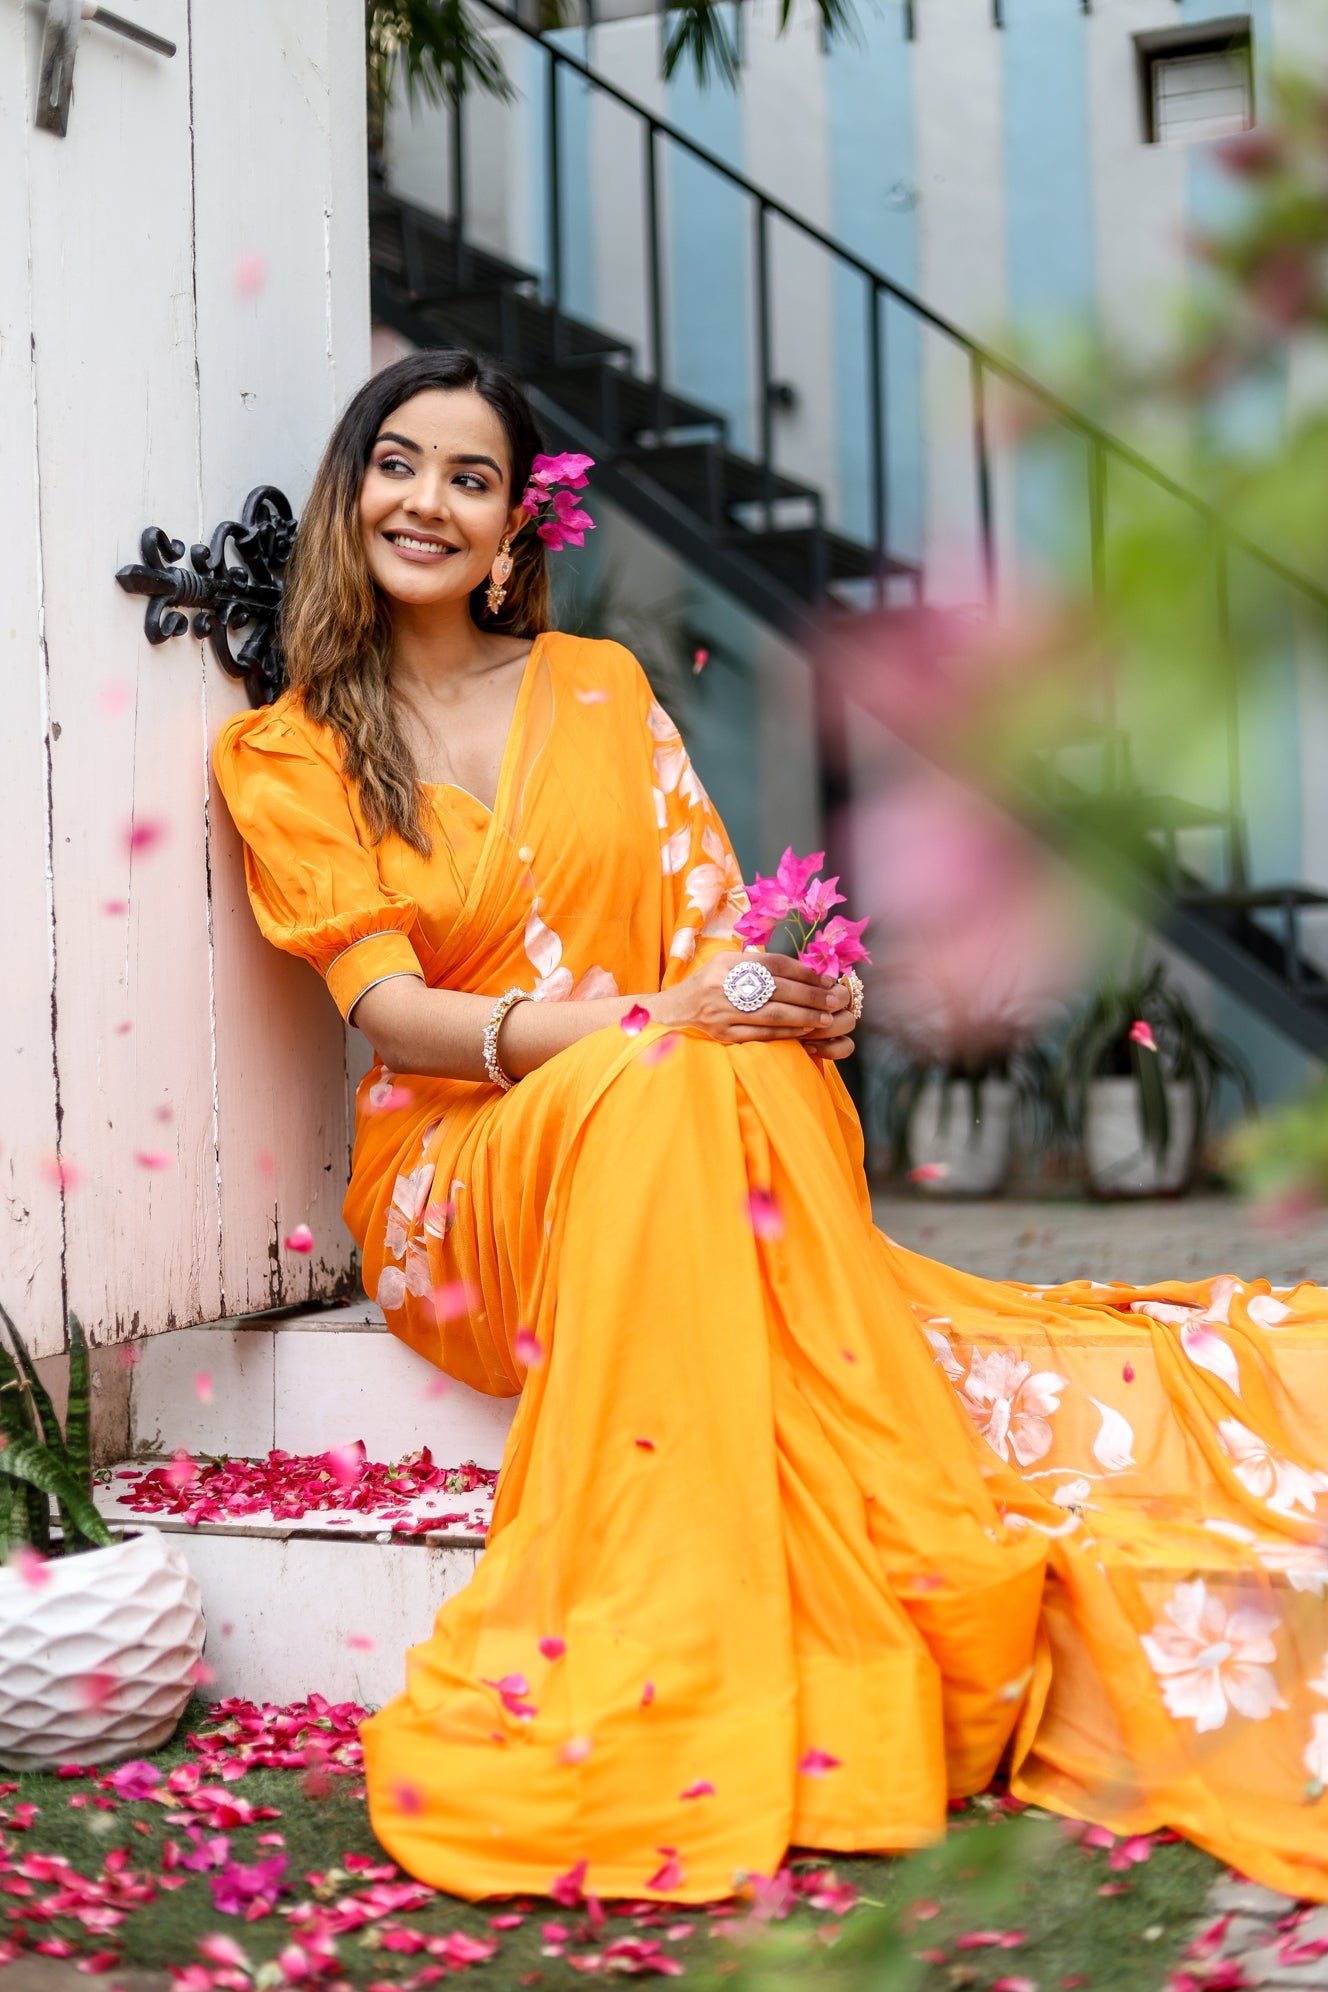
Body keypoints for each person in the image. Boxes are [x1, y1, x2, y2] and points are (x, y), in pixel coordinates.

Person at [213, 349, 1328, 1907]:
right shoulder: (291, 748)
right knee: (669, 1064)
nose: (430, 501)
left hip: (658, 1112)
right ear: (354, 486)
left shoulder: (598, 689)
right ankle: (690, 1652)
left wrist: (785, 998)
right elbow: (388, 1014)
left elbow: (712, 940)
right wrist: (649, 1026)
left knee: (712, 1064)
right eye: (401, 463)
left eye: (473, 478)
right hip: (461, 1180)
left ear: (513, 528)